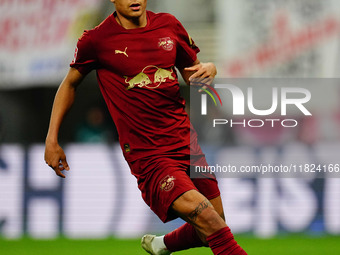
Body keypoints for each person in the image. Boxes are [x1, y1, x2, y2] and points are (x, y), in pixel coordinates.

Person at [44, 1, 247, 254]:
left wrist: (210, 69)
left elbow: (193, 77)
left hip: (186, 143)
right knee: (209, 220)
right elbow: (70, 84)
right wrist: (51, 139)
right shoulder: (96, 40)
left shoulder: (169, 25)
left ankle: (161, 244)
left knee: (214, 224)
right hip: (149, 154)